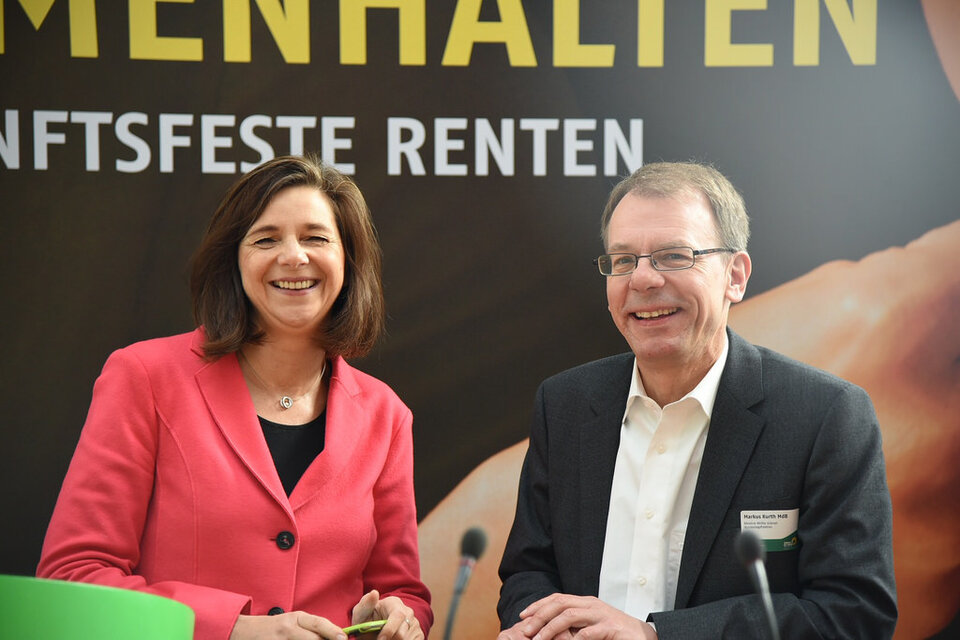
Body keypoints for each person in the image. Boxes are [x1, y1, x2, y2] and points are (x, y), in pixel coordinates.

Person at [495, 162, 897, 639]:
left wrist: (656, 636)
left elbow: (853, 615)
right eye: (623, 260)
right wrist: (546, 628)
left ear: (735, 275)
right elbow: (527, 572)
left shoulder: (824, 416)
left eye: (673, 256)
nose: (642, 279)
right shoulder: (564, 404)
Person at [37, 156, 432, 640]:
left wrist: (398, 616)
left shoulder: (386, 414)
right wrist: (231, 629)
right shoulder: (144, 377)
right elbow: (73, 579)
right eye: (266, 239)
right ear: (233, 261)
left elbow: (403, 591)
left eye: (316, 237)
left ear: (348, 260)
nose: (293, 256)